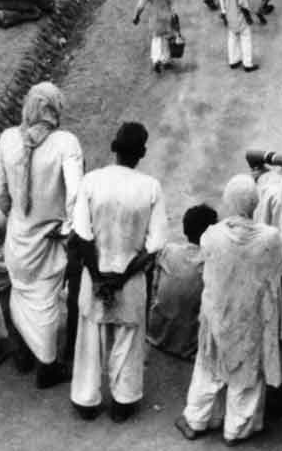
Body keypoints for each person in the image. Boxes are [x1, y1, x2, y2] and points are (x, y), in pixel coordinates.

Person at [176, 175, 282, 444]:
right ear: (255, 202)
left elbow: (207, 272)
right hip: (250, 318)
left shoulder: (211, 235)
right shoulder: (271, 238)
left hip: (217, 314)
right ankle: (236, 429)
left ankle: (195, 419)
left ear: (228, 199)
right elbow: (275, 277)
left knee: (208, 367)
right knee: (246, 373)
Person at [70, 121, 167, 422]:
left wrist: (100, 278)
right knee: (128, 338)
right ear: (142, 152)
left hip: (95, 275)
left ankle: (86, 399)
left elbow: (82, 236)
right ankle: (123, 402)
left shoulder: (91, 181)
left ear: (114, 147)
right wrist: (121, 278)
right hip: (130, 279)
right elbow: (155, 245)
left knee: (90, 336)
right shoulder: (150, 187)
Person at [0, 83, 85, 387]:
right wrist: (69, 227)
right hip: (49, 240)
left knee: (21, 294)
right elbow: (75, 193)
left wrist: (18, 213)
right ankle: (47, 366)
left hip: (18, 239)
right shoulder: (66, 143)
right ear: (56, 108)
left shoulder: (7, 139)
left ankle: (23, 355)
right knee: (45, 302)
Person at [148, 204, 217, 360]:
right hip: (185, 346)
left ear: (185, 229)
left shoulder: (168, 251)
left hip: (156, 334)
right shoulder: (209, 261)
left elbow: (156, 286)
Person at [133, 0, 177, 73]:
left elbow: (140, 5)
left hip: (155, 18)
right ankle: (166, 60)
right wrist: (175, 17)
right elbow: (173, 6)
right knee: (166, 38)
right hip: (166, 18)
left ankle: (156, 60)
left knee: (156, 39)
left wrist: (137, 16)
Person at [219, 0, 256, 72]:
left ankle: (233, 61)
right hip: (240, 16)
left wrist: (224, 14)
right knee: (246, 38)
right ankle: (247, 64)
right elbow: (243, 4)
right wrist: (249, 18)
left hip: (230, 15)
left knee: (232, 37)